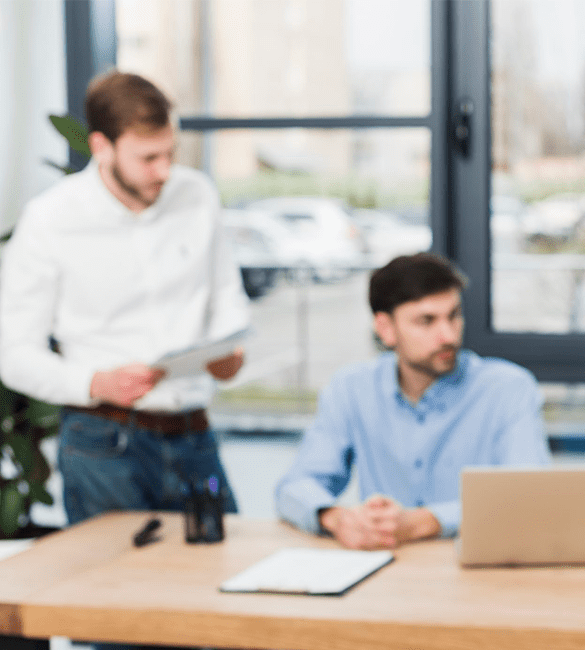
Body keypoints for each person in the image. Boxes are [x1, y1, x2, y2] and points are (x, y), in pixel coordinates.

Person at [0, 71, 250, 525]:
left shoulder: (196, 196)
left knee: (220, 580)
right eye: (148, 157)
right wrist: (96, 383)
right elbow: (13, 353)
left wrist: (228, 352)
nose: (164, 171)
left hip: (194, 435)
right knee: (109, 592)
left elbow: (228, 302)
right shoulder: (51, 219)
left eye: (170, 153)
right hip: (102, 441)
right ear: (101, 146)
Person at [275, 252, 550, 549]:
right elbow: (295, 487)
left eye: (454, 316)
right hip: (387, 569)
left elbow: (530, 496)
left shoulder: (508, 388)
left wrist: (423, 522)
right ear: (385, 329)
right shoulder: (351, 388)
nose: (447, 336)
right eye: (426, 321)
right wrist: (336, 517)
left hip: (480, 570)